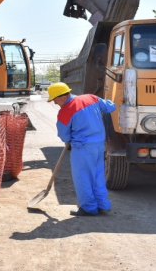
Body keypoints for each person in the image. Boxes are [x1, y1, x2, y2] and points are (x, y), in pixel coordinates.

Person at [48, 82, 116, 216]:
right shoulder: (91, 98)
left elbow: (64, 135)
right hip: (98, 145)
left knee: (82, 177)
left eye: (54, 99)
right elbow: (111, 107)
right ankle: (103, 205)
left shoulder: (66, 111)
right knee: (97, 176)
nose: (54, 103)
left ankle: (89, 208)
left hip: (82, 148)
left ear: (62, 97)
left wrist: (70, 138)